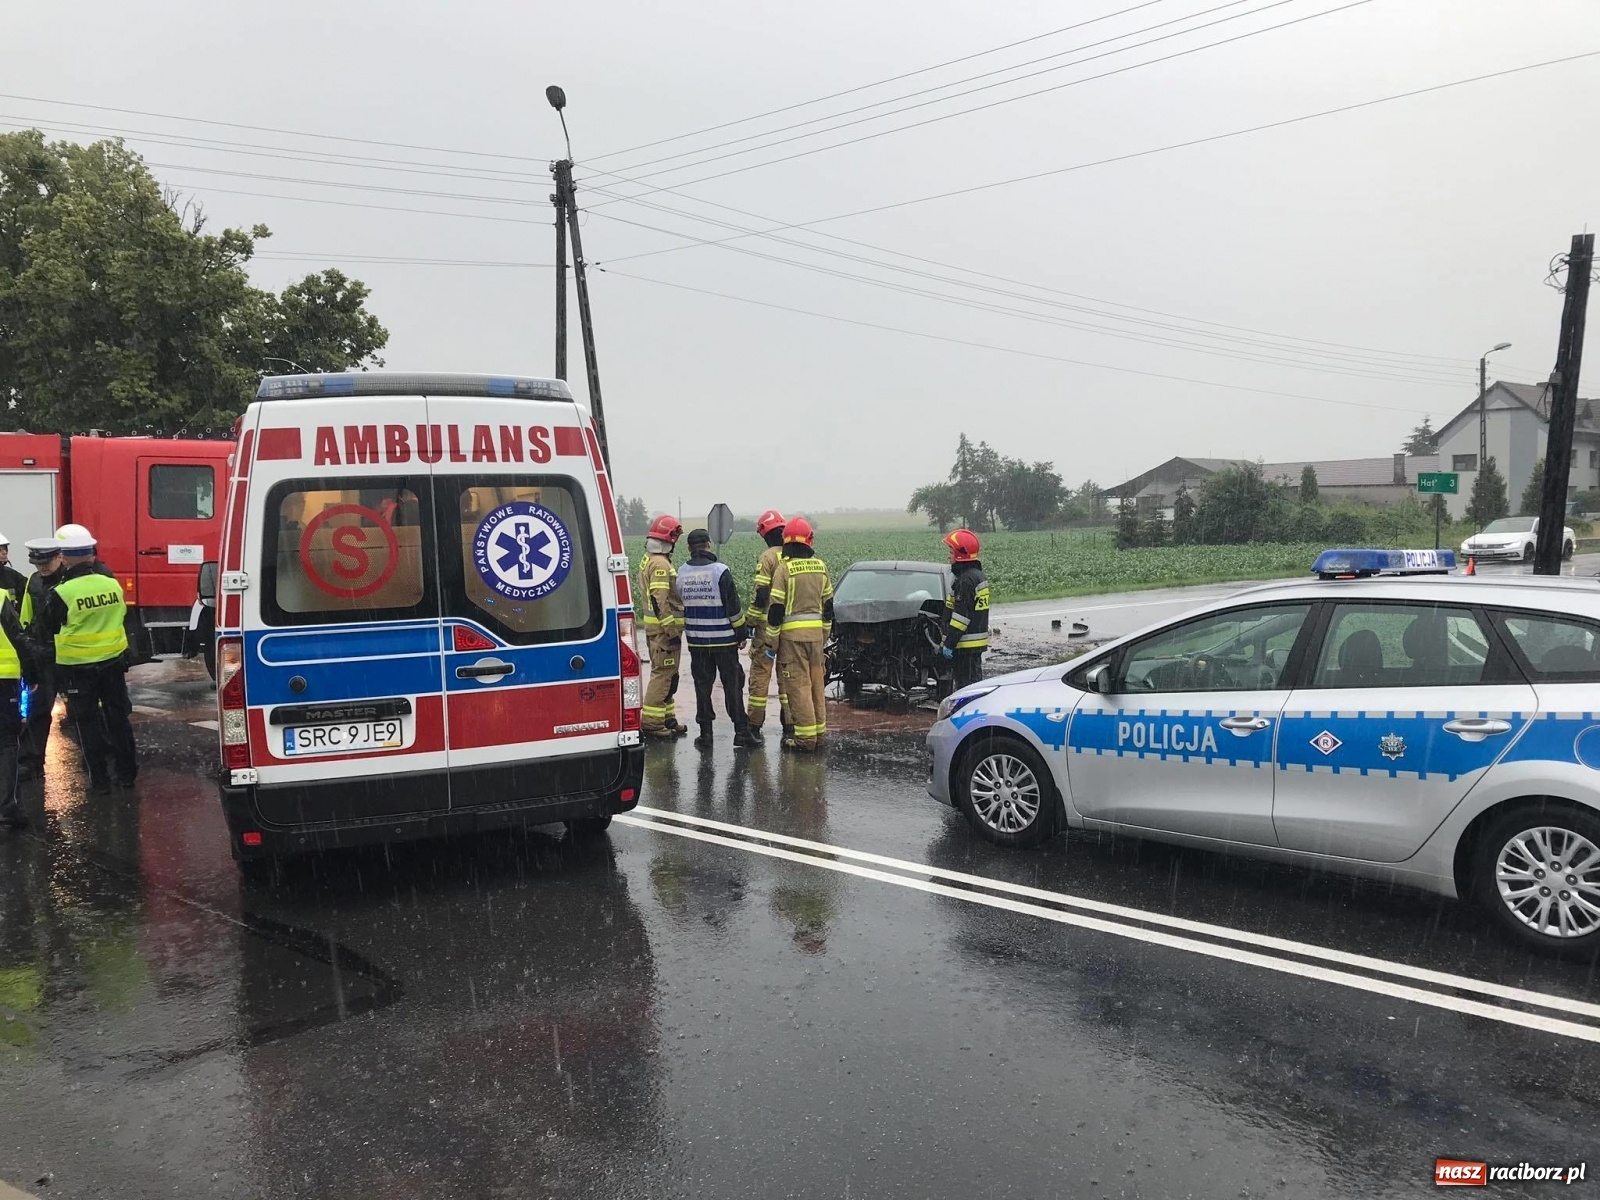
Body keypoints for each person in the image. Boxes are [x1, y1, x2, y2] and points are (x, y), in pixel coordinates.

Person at [38, 532, 137, 794]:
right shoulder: (111, 584)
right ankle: (127, 774)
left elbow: (47, 626)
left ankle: (100, 782)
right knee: (118, 719)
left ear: (64, 558)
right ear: (91, 554)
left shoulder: (62, 592)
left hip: (77, 668)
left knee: (87, 724)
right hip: (112, 663)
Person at [677, 529, 760, 750]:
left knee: (702, 688)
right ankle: (741, 732)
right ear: (709, 545)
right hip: (723, 641)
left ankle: (705, 735)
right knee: (732, 686)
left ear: (689, 548)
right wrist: (741, 633)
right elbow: (733, 607)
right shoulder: (720, 571)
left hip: (697, 642)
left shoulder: (681, 573)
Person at [765, 516, 834, 753]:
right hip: (816, 639)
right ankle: (819, 734)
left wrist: (771, 642)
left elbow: (775, 610)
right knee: (817, 686)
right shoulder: (820, 567)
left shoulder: (784, 570)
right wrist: (824, 635)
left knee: (799, 687)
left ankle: (805, 739)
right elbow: (828, 607)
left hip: (791, 642)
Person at [636, 515, 688, 739]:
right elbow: (660, 601)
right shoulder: (660, 563)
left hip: (656, 631)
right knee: (662, 675)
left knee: (670, 675)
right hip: (664, 632)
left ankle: (667, 717)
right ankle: (652, 723)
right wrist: (672, 631)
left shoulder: (651, 559)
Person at [18, 538, 65, 779]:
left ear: (60, 557)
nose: (42, 568)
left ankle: (100, 759)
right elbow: (26, 616)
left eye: (46, 563)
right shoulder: (33, 581)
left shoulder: (71, 581)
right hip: (43, 654)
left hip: (69, 653)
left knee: (83, 711)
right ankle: (32, 761)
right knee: (38, 711)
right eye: (38, 564)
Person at [744, 509, 790, 741]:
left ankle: (754, 725)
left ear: (765, 534)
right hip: (790, 628)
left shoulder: (768, 558)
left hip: (765, 626)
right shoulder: (797, 555)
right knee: (788, 675)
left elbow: (761, 594)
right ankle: (790, 725)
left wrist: (749, 621)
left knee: (761, 675)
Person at [939, 528, 991, 692]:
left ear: (961, 554)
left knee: (966, 690)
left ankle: (965, 716)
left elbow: (961, 619)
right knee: (973, 687)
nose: (949, 555)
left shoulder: (965, 581)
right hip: (974, 645)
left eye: (951, 551)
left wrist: (949, 644)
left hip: (965, 646)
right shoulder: (977, 576)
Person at [0, 583, 34, 828]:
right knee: (7, 742)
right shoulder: (1, 597)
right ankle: (7, 807)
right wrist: (32, 673)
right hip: (4, 680)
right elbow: (18, 637)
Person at [0, 535, 27, 606]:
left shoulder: (11, 575)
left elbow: (29, 589)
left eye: (5, 549)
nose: (4, 552)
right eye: (0, 550)